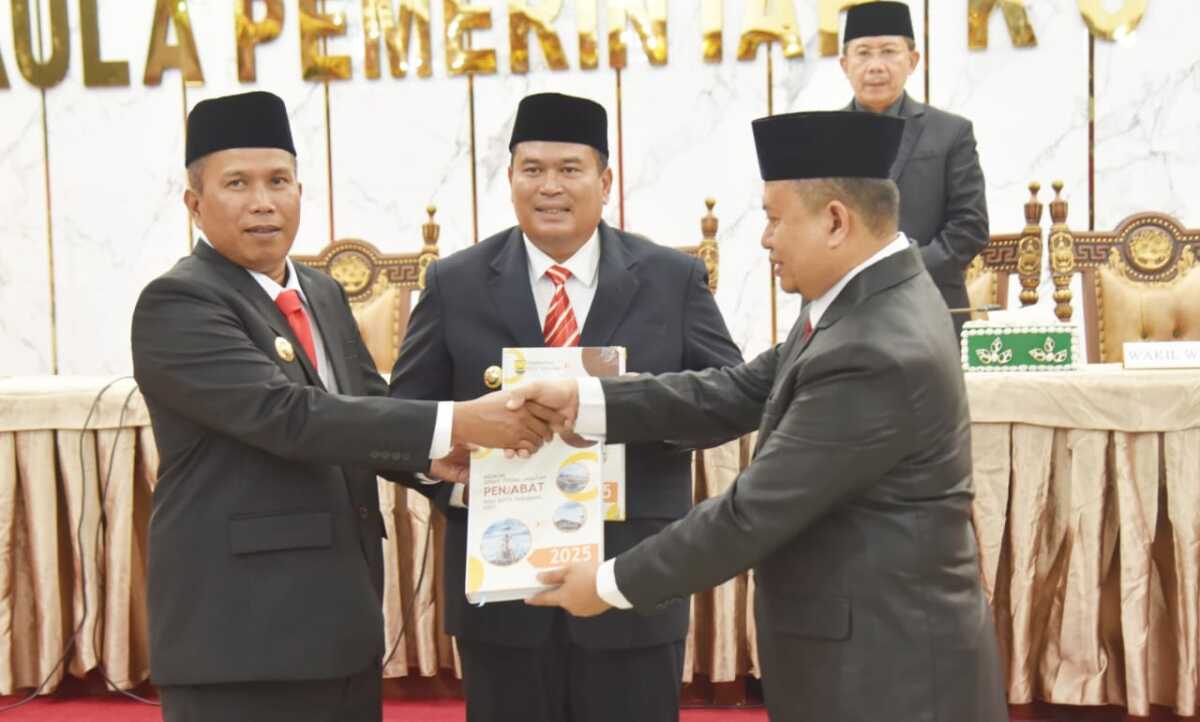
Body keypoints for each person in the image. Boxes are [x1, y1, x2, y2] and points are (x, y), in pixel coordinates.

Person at [519, 110, 1008, 722]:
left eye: (775, 219)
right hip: (859, 656)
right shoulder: (861, 302)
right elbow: (733, 390)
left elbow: (749, 515)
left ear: (835, 220)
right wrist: (585, 400)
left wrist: (609, 584)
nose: (764, 239)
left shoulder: (876, 347)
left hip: (887, 676)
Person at [130, 91, 556, 722]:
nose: (262, 202)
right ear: (195, 204)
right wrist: (458, 420)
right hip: (240, 636)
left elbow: (367, 403)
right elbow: (289, 415)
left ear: (301, 190)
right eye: (237, 184)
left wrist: (445, 460)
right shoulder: (180, 302)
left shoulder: (321, 292)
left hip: (341, 627)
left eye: (278, 181)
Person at [388, 92, 743, 722]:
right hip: (502, 587)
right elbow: (402, 424)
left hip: (633, 576)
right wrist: (472, 489)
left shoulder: (672, 279)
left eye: (570, 169)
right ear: (511, 179)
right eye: (533, 169)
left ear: (605, 181)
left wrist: (625, 407)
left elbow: (728, 401)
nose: (550, 187)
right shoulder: (455, 283)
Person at [840, 0, 988, 334]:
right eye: (863, 53)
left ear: (912, 60)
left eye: (889, 51)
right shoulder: (822, 137)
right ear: (844, 64)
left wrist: (897, 272)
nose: (876, 65)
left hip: (930, 310)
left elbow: (970, 227)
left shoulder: (951, 133)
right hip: (844, 315)